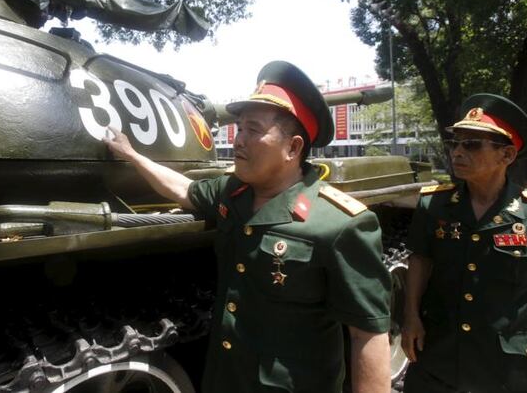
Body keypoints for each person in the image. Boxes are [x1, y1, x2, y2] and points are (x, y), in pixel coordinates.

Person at [104, 60, 391, 393]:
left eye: (253, 130)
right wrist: (132, 155)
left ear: (293, 147)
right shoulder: (234, 193)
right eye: (239, 128)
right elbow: (183, 189)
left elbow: (367, 334)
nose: (238, 140)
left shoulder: (339, 224)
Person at [401, 93, 527, 393]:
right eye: (455, 143)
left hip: (513, 369)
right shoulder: (433, 205)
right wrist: (410, 316)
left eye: (472, 144)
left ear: (507, 155)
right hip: (441, 361)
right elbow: (421, 259)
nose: (457, 152)